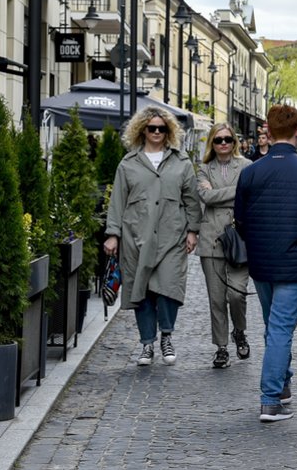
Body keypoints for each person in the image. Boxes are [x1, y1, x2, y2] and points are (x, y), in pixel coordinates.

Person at [235, 105, 297, 423]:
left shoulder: (250, 172)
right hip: (295, 260)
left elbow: (239, 219)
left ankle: (283, 384)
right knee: (280, 328)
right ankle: (270, 399)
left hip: (262, 260)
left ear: (268, 129)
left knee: (273, 326)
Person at [104, 107, 201, 367]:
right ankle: (147, 343)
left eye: (162, 128)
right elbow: (117, 201)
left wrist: (193, 230)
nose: (157, 132)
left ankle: (166, 335)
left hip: (172, 236)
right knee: (142, 291)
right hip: (136, 237)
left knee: (169, 287)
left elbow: (192, 200)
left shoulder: (181, 162)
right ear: (142, 131)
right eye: (152, 128)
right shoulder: (128, 163)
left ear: (169, 131)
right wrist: (113, 234)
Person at [196, 123, 252, 368]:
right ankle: (221, 348)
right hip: (211, 239)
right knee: (217, 299)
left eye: (228, 139)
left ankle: (239, 330)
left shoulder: (248, 166)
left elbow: (248, 194)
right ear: (212, 143)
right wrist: (237, 191)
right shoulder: (203, 169)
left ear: (234, 142)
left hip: (240, 237)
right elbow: (205, 197)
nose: (223, 144)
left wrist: (219, 194)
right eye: (218, 140)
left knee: (237, 293)